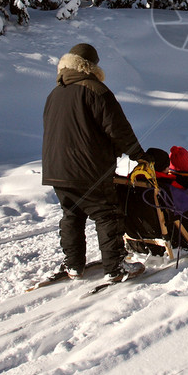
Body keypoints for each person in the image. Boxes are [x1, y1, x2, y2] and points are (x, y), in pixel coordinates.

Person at [42, 42, 147, 284]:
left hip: (56, 168)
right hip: (88, 168)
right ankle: (115, 266)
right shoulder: (96, 90)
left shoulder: (55, 92)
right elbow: (118, 129)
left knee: (72, 214)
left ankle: (74, 265)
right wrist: (138, 156)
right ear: (92, 66)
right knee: (107, 213)